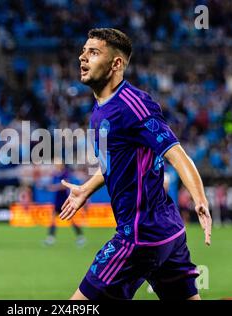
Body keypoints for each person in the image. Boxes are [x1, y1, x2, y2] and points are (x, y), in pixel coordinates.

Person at [59, 28, 212, 300]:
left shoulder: (133, 105)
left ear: (116, 64)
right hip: (167, 232)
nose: (82, 57)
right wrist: (86, 188)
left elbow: (176, 153)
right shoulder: (100, 109)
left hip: (140, 236)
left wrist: (199, 198)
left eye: (93, 53)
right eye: (83, 51)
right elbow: (116, 163)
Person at [44, 162, 86, 247]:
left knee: (71, 219)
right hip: (57, 200)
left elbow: (65, 185)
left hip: (64, 199)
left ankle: (80, 237)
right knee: (53, 219)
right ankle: (51, 238)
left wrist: (54, 187)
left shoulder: (65, 173)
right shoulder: (55, 174)